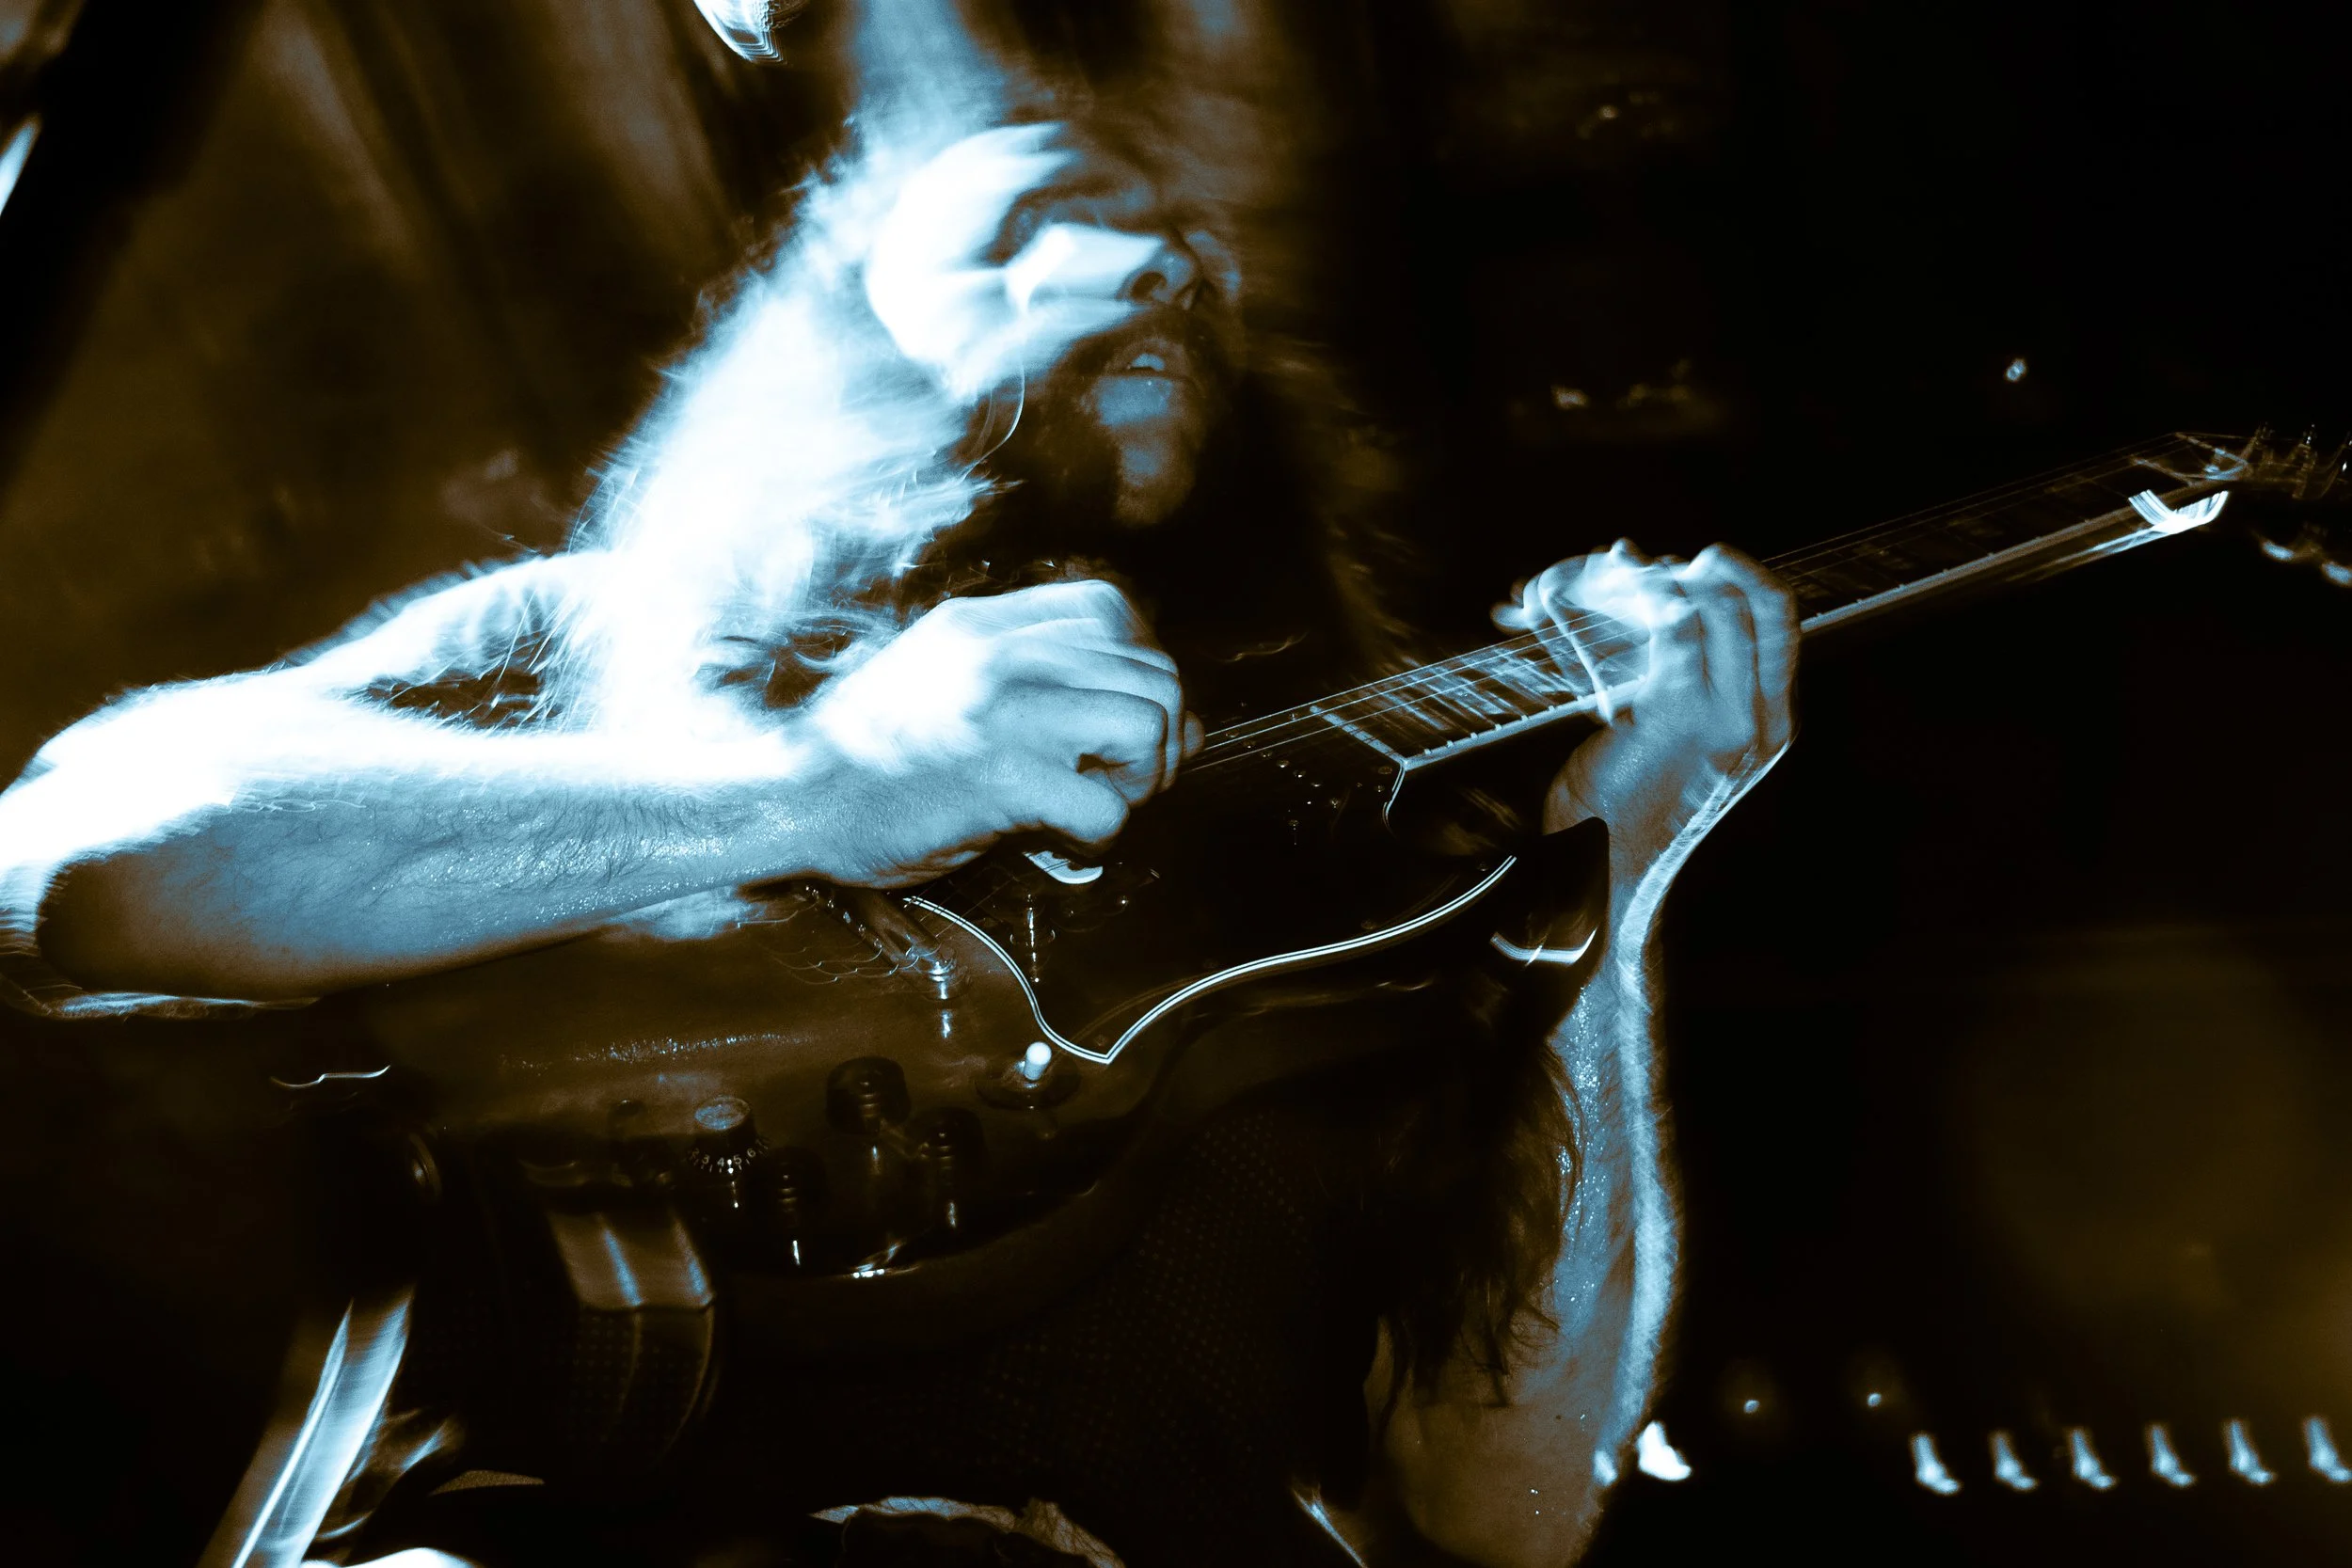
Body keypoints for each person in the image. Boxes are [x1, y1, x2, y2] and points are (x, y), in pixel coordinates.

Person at [0, 8, 1795, 1566]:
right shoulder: (600, 647)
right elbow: (69, 858)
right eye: (1046, 217)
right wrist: (813, 784)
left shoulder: (1385, 889)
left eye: (1187, 250)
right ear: (845, 357)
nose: (1163, 264)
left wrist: (1616, 866)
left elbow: (1507, 1505)